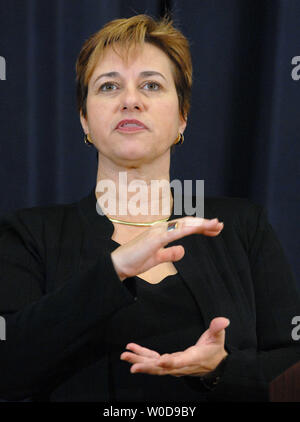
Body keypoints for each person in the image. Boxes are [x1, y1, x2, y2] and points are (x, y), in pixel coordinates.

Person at [0, 13, 299, 403]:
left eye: (151, 85)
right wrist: (115, 270)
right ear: (84, 120)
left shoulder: (243, 226)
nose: (130, 100)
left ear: (182, 117)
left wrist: (221, 369)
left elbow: (291, 370)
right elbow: (8, 370)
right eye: (108, 86)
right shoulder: (28, 234)